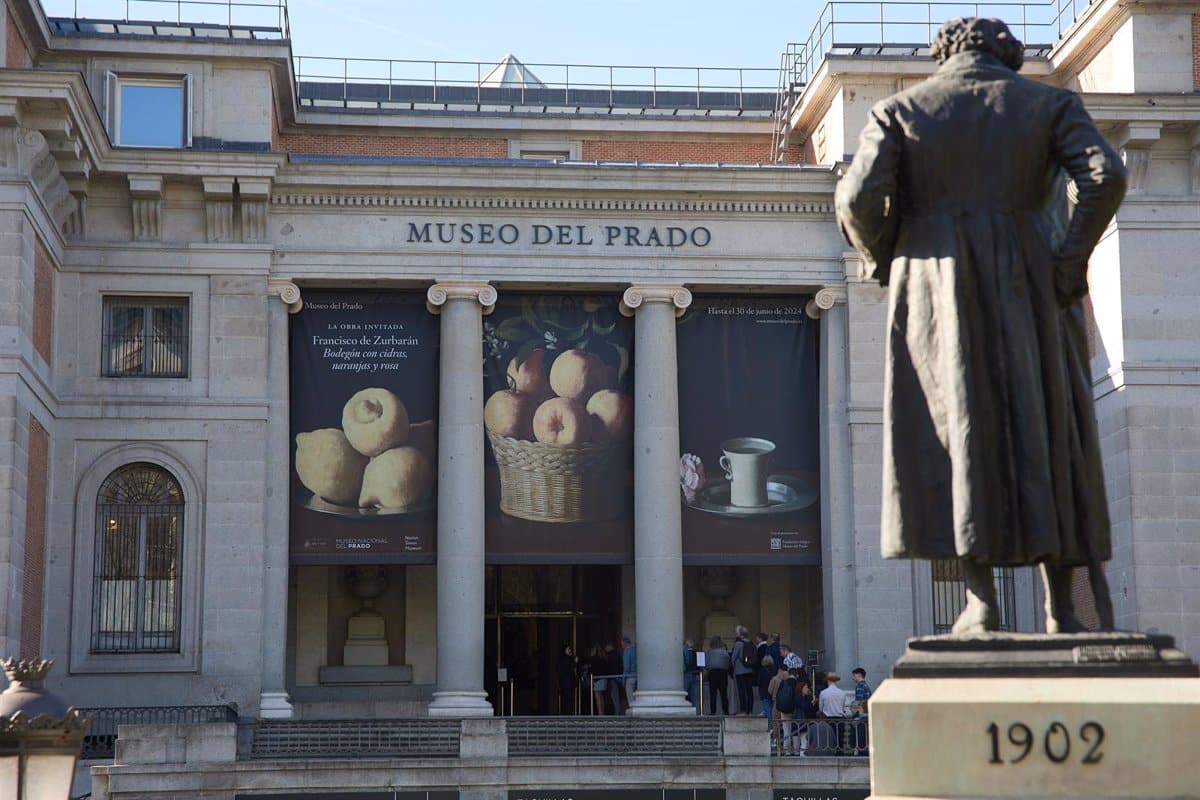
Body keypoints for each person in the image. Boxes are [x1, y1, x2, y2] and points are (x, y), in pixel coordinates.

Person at [834, 17, 1126, 634]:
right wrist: (1069, 261)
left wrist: (886, 257)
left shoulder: (901, 110)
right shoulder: (1049, 104)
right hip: (1031, 279)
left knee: (952, 431)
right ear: (1008, 58)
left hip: (936, 288)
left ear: (944, 57)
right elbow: (1107, 174)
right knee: (1046, 425)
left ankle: (981, 604)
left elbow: (857, 198)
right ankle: (1062, 608)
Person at [768, 662, 798, 755]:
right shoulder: (797, 683)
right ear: (797, 675)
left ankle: (786, 750)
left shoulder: (783, 682)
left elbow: (772, 692)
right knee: (796, 729)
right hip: (794, 709)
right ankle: (796, 750)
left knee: (786, 729)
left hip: (783, 709)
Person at [704, 635, 732, 715]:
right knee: (723, 693)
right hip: (723, 673)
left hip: (712, 673)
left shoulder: (709, 652)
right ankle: (725, 711)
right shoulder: (724, 652)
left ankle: (713, 711)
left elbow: (706, 664)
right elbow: (728, 663)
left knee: (713, 694)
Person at [730, 626, 755, 715]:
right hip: (750, 669)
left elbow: (733, 657)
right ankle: (750, 710)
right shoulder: (751, 643)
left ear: (740, 634)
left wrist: (732, 667)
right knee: (749, 690)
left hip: (740, 670)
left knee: (741, 690)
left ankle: (743, 710)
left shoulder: (738, 643)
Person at [556, 644, 577, 715]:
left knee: (566, 699)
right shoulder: (565, 659)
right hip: (567, 682)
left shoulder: (563, 658)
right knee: (567, 700)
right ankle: (567, 714)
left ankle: (565, 714)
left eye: (570, 649)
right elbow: (568, 669)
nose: (570, 650)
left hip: (564, 683)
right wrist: (575, 662)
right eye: (568, 649)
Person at [588, 644, 609, 715]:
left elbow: (591, 670)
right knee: (602, 698)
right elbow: (607, 669)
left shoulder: (593, 659)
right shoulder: (603, 658)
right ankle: (602, 712)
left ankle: (600, 713)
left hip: (597, 679)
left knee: (598, 698)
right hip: (604, 679)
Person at [605, 642, 624, 715]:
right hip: (619, 677)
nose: (605, 649)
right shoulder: (618, 653)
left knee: (615, 696)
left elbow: (611, 668)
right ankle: (619, 711)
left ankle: (617, 712)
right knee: (618, 695)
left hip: (613, 678)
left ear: (609, 647)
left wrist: (609, 678)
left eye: (606, 647)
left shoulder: (610, 655)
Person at [757, 654, 775, 718]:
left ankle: (771, 725)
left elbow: (759, 682)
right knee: (772, 708)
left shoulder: (761, 671)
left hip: (764, 692)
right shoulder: (774, 670)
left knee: (768, 709)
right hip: (773, 692)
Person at [621, 635, 637, 709]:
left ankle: (632, 713)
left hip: (630, 677)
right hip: (637, 677)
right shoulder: (635, 650)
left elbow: (626, 667)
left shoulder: (627, 651)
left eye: (622, 643)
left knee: (630, 699)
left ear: (624, 643)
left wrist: (623, 680)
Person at [682, 639, 699, 709]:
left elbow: (687, 661)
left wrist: (684, 670)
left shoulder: (684, 649)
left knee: (683, 694)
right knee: (692, 696)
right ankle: (694, 710)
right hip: (692, 674)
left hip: (686, 674)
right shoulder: (692, 651)